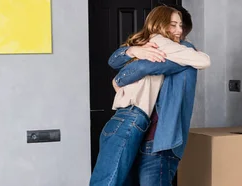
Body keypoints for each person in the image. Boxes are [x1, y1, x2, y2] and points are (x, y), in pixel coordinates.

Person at [90, 6, 210, 186]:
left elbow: (143, 68)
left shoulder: (183, 51)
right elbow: (114, 60)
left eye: (181, 26)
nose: (179, 31)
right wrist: (132, 51)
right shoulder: (150, 44)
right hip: (137, 129)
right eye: (173, 25)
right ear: (160, 25)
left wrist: (119, 79)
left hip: (158, 139)